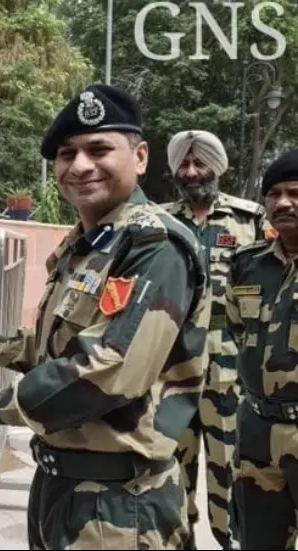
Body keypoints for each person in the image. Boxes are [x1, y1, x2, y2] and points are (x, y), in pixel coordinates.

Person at [0, 84, 212, 550]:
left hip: (120, 506)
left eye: (99, 149)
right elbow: (59, 347)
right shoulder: (86, 246)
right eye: (67, 153)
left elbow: (107, 370)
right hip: (62, 487)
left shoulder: (155, 248)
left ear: (142, 156)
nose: (81, 165)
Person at [161, 130, 271, 550]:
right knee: (172, 475)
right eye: (184, 165)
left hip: (230, 375)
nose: (191, 172)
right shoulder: (160, 222)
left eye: (199, 163)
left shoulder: (251, 220)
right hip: (171, 374)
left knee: (232, 477)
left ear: (217, 167)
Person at [226, 149, 298, 549]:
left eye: (293, 192)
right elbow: (238, 330)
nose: (282, 202)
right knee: (258, 540)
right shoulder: (246, 264)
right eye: (273, 193)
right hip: (257, 430)